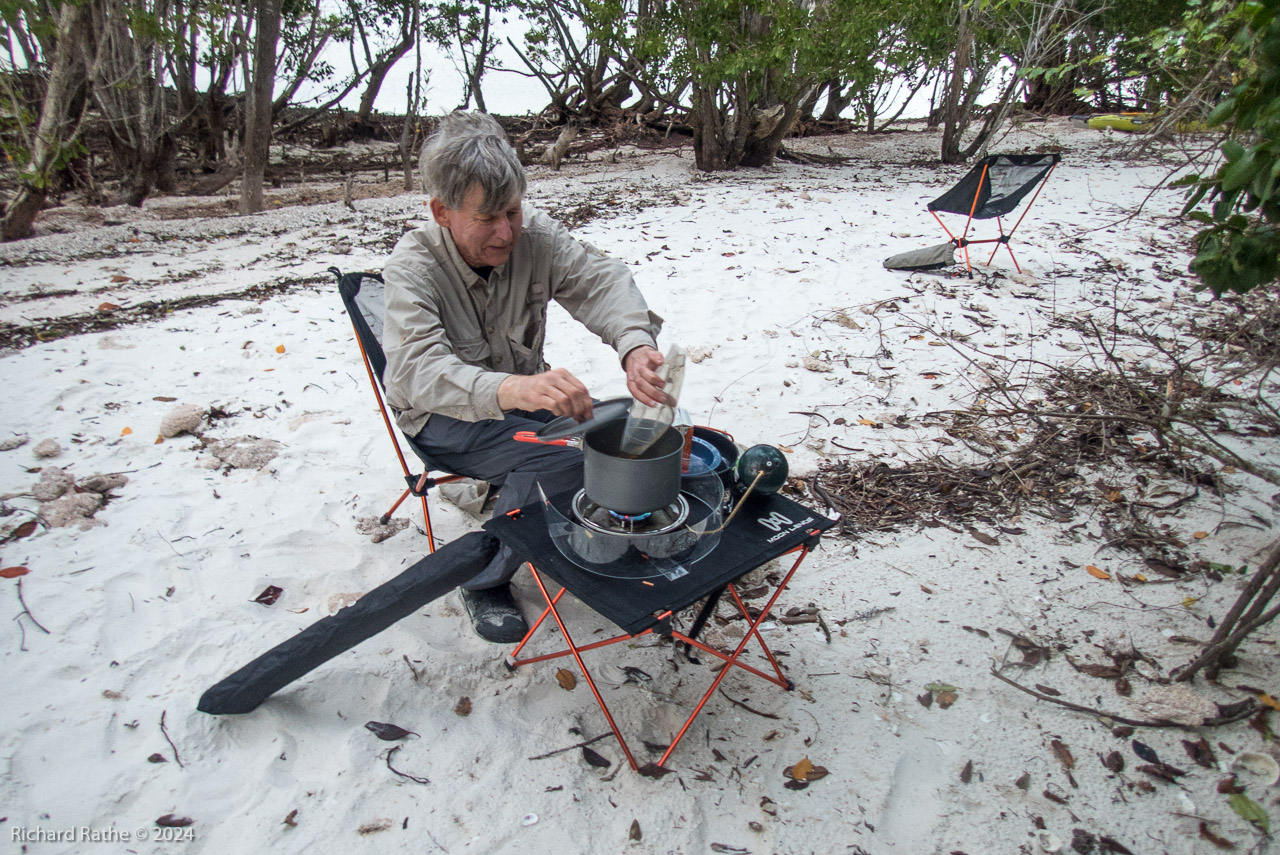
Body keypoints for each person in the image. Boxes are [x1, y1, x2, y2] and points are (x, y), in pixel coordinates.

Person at [381, 111, 666, 643]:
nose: (507, 231)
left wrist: (635, 345)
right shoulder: (412, 267)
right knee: (560, 463)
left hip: (523, 402)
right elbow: (417, 370)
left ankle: (568, 514)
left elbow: (600, 281)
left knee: (620, 429)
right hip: (443, 419)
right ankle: (486, 580)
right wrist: (512, 388)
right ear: (441, 212)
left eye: (512, 210)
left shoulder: (533, 234)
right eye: (488, 218)